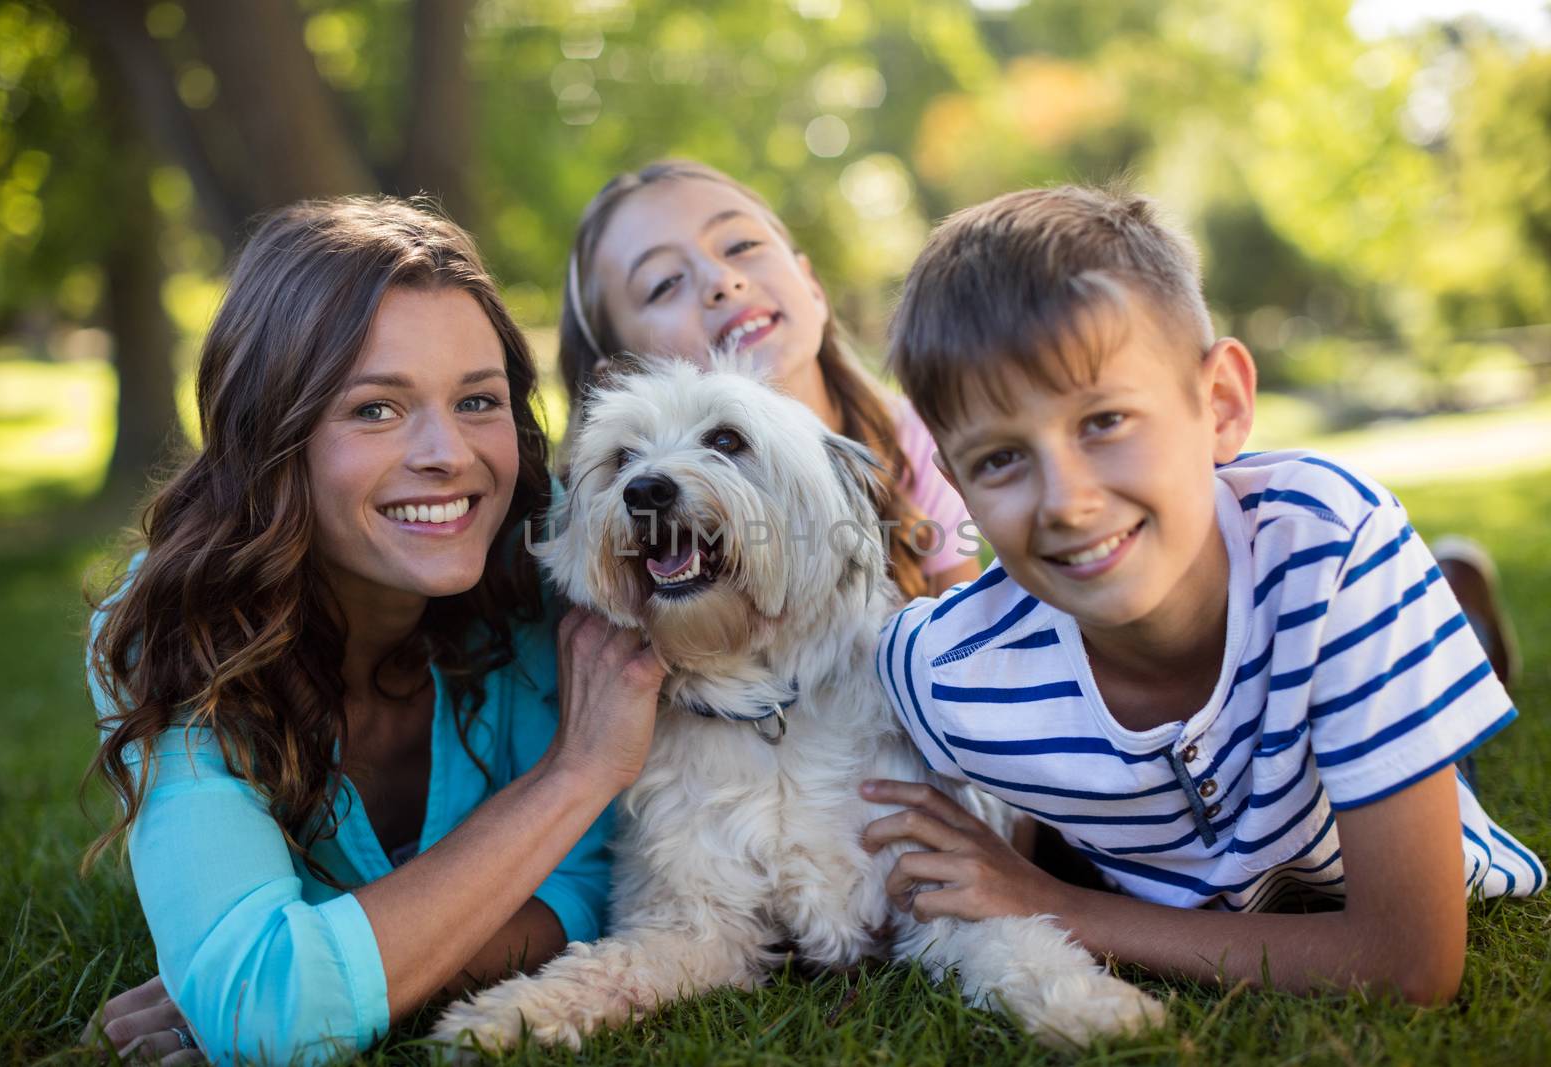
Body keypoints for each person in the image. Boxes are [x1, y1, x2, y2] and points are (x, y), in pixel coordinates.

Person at [861, 184, 1544, 1005]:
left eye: (1104, 420)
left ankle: (1454, 626)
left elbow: (1409, 964)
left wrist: (1056, 904)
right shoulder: (942, 669)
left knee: (1421, 740)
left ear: (1220, 404)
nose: (1067, 501)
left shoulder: (1329, 546)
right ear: (959, 487)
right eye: (1001, 459)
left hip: (1329, 700)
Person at [80, 197, 666, 1064]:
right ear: (272, 436)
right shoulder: (173, 629)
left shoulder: (554, 583)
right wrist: (574, 774)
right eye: (376, 410)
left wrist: (339, 969)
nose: (447, 453)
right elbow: (265, 1010)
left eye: (477, 400)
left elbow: (595, 886)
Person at [558, 159, 983, 600]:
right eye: (664, 283)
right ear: (623, 380)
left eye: (740, 245)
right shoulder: (616, 532)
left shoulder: (915, 441)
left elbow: (969, 635)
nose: (722, 281)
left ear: (813, 288)